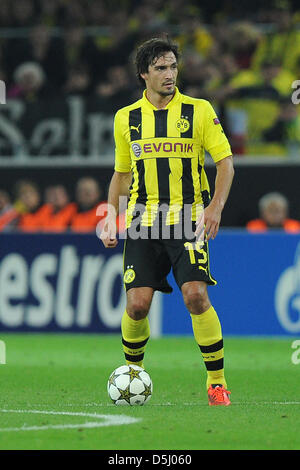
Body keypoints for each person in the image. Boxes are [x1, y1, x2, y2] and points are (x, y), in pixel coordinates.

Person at [101, 37, 234, 406]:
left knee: (195, 296)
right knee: (137, 306)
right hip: (144, 221)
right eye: (160, 68)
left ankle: (217, 382)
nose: (169, 74)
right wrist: (111, 217)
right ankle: (132, 374)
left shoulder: (200, 110)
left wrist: (215, 208)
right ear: (143, 74)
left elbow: (225, 163)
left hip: (188, 218)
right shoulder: (126, 118)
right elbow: (122, 174)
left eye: (173, 66)